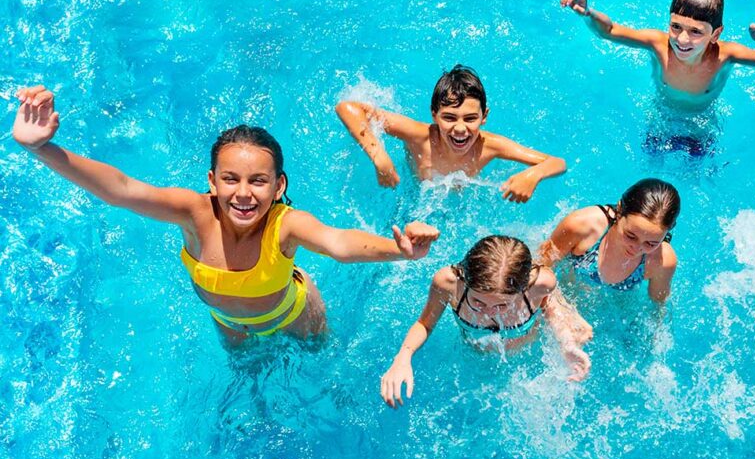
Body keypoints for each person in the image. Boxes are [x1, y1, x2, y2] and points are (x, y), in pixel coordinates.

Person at [12, 85, 440, 344]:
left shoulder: (284, 225)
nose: (244, 193)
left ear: (279, 187)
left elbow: (338, 243)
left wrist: (400, 250)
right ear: (213, 182)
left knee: (319, 366)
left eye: (259, 181)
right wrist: (41, 148)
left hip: (295, 316)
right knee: (246, 383)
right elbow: (122, 189)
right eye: (231, 179)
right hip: (229, 324)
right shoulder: (194, 214)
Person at [560, 0, 755, 156]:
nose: (682, 39)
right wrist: (588, 12)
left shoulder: (725, 56)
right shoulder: (658, 44)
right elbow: (609, 31)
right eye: (676, 26)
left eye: (696, 31)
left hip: (700, 128)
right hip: (662, 120)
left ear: (715, 34)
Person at [379, 235, 592, 408]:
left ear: (524, 288)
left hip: (527, 355)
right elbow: (424, 324)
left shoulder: (541, 284)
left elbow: (549, 306)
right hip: (475, 355)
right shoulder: (449, 284)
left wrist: (566, 343)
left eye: (502, 305)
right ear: (465, 280)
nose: (489, 312)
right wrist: (403, 356)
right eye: (478, 302)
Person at [334, 65, 566, 203]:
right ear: (434, 115)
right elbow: (348, 108)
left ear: (484, 116)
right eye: (449, 118)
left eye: (470, 118)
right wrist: (379, 157)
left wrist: (533, 175)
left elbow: (557, 163)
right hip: (413, 194)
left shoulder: (491, 145)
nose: (460, 129)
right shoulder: (419, 136)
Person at [538, 179, 679, 303]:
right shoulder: (581, 226)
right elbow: (538, 269)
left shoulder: (663, 262)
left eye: (651, 243)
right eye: (630, 236)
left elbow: (657, 308)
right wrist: (559, 310)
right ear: (619, 211)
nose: (636, 248)